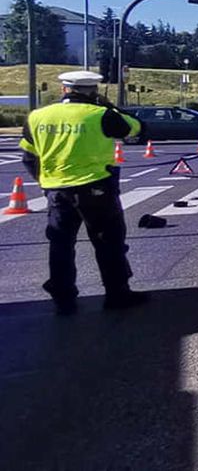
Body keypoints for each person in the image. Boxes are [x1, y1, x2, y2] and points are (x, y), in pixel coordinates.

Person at [19, 71, 148, 315]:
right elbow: (137, 128)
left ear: (63, 89)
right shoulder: (101, 114)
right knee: (108, 243)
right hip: (96, 188)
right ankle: (117, 294)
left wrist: (46, 182)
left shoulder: (37, 116)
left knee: (60, 245)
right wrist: (111, 107)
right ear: (95, 91)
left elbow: (28, 156)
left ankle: (63, 299)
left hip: (57, 191)